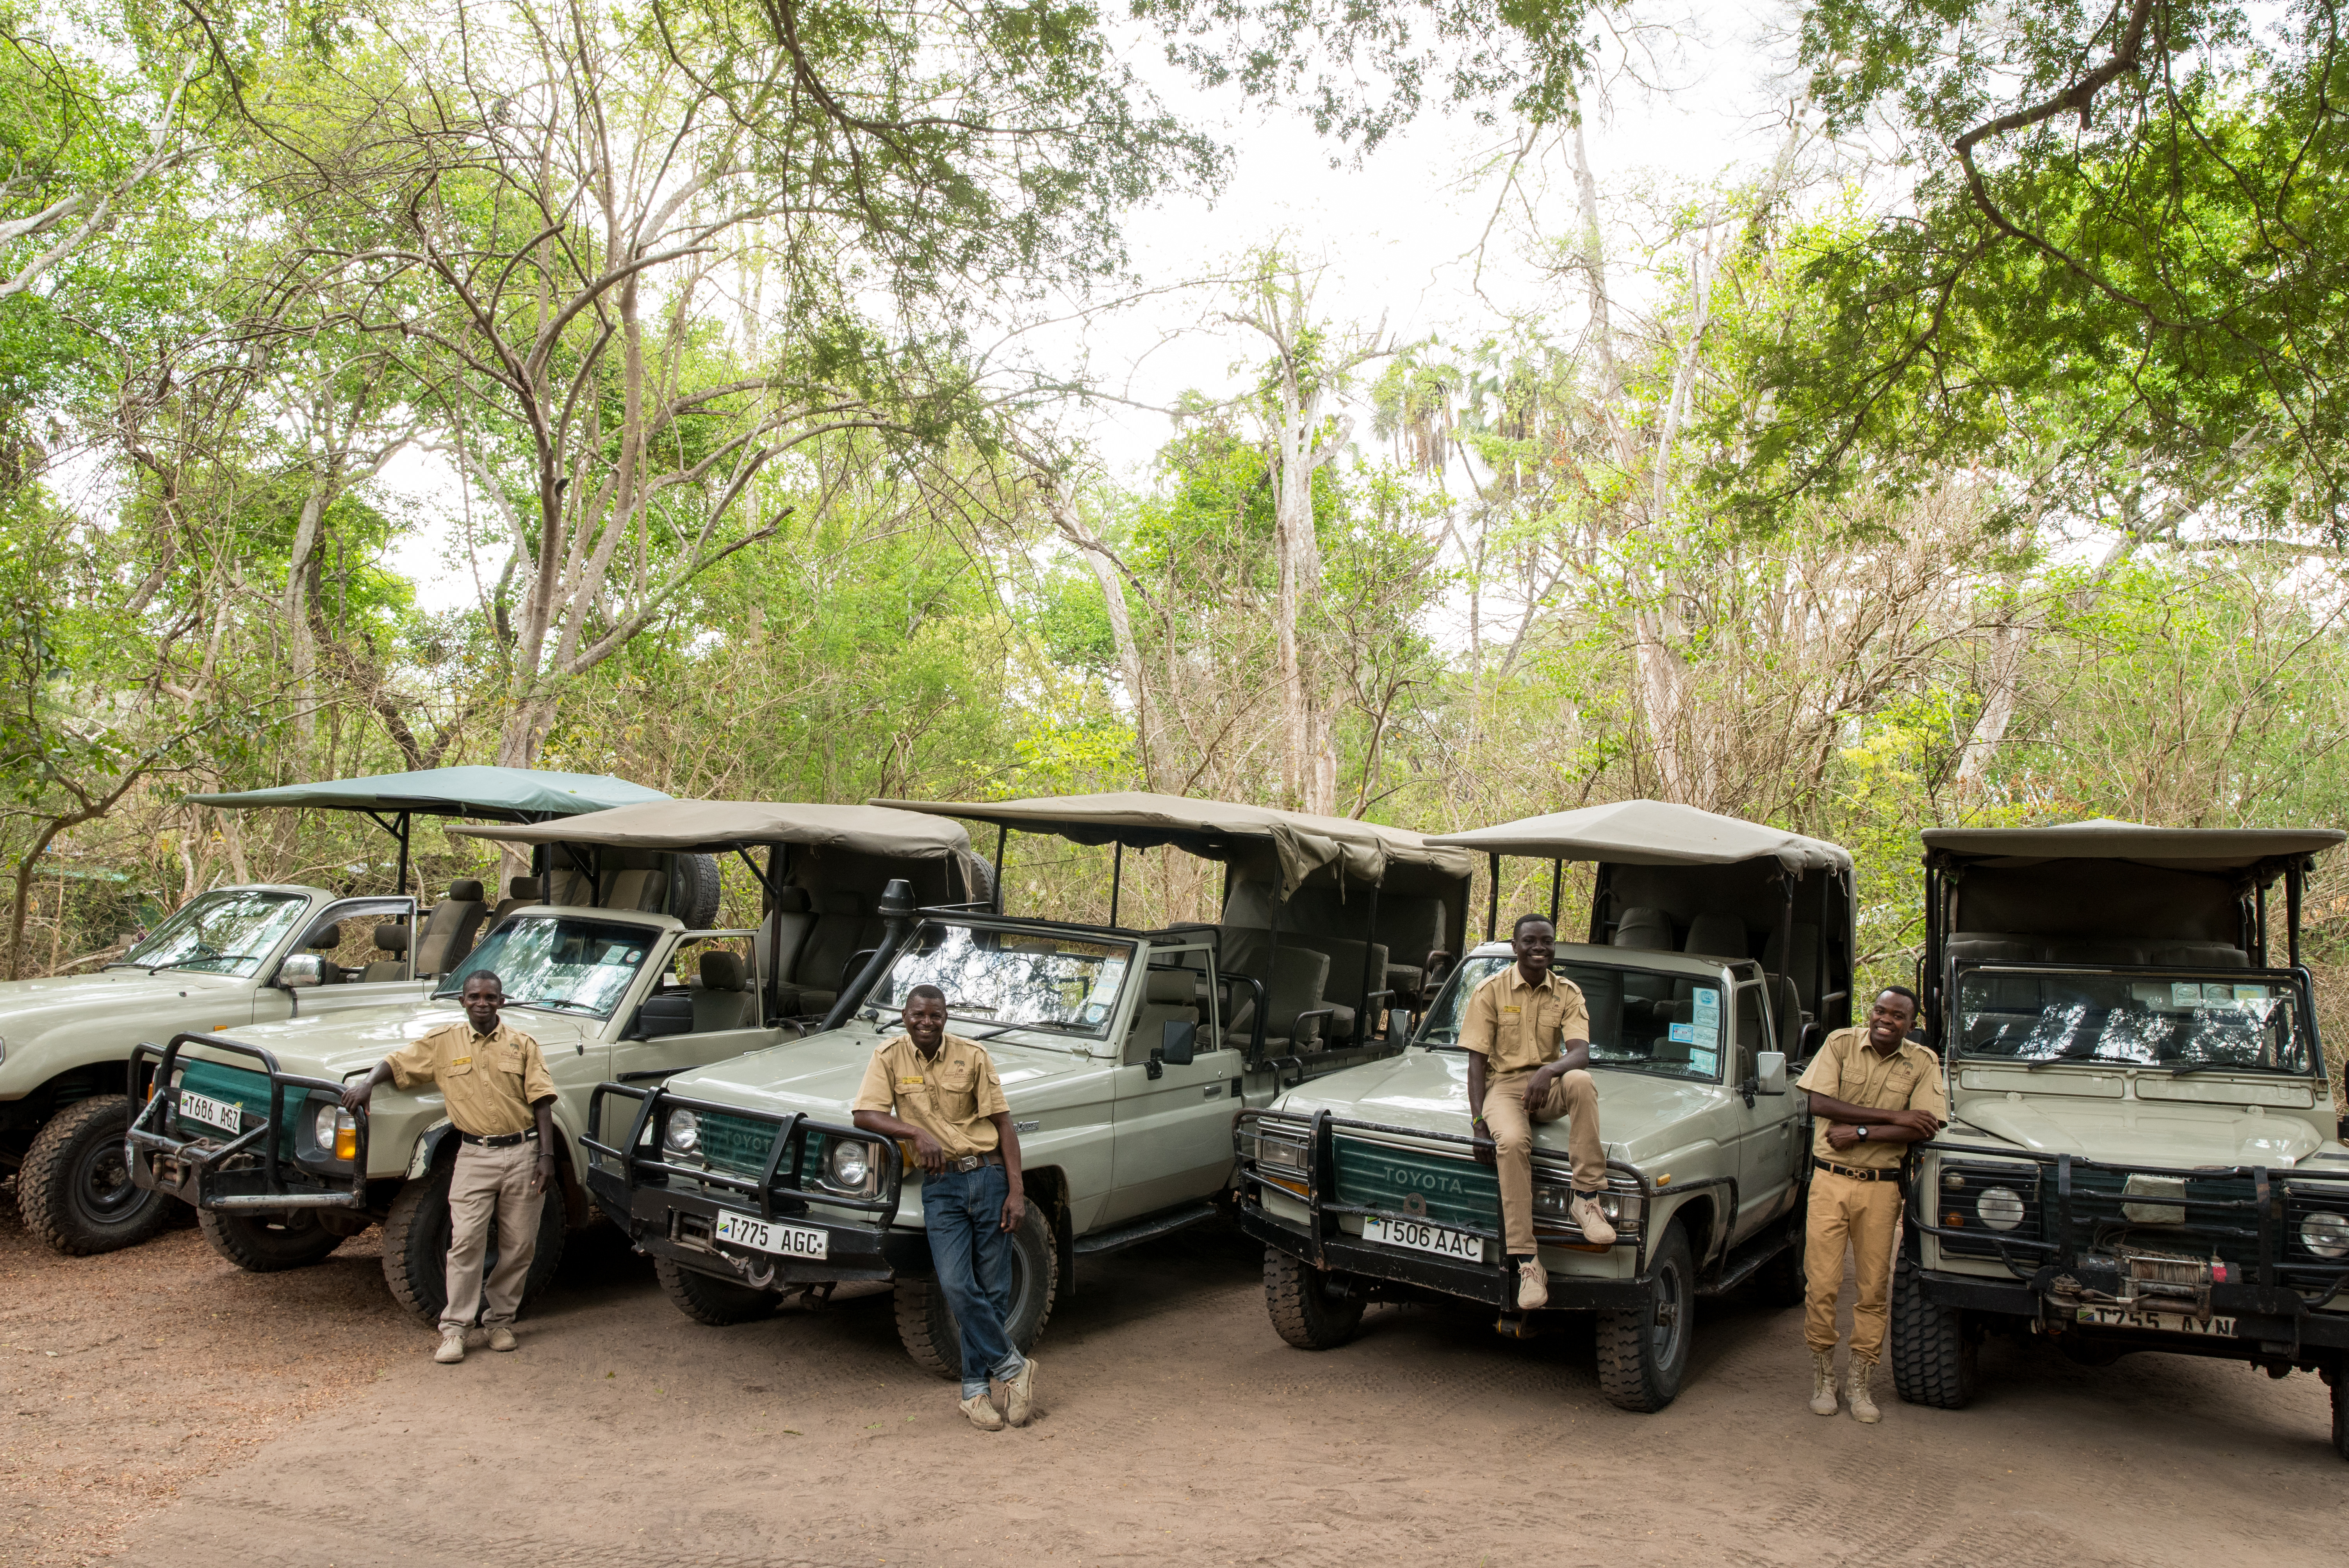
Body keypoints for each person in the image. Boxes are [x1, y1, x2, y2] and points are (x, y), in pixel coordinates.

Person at [342, 970, 556, 1365]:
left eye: (490, 996)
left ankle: (499, 1321)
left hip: (523, 1154)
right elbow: (396, 1061)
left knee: (520, 1244)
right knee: (466, 1243)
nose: (482, 1002)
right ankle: (455, 1330)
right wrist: (368, 1083)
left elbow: (541, 1100)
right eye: (474, 995)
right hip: (474, 1156)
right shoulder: (443, 1043)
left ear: (502, 1001)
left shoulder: (522, 1044)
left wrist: (547, 1156)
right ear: (462, 1001)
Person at [852, 984, 1036, 1431]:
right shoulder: (889, 1056)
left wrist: (1016, 1191)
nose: (926, 1022)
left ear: (946, 1016)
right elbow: (864, 1114)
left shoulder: (972, 1056)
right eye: (919, 1014)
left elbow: (1003, 1125)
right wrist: (914, 1133)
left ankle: (976, 1390)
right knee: (956, 1284)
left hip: (988, 1177)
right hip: (941, 1187)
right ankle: (1014, 1367)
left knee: (993, 1290)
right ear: (905, 1013)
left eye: (935, 1015)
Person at [1795, 984, 1946, 1423]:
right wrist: (1894, 1117)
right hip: (1829, 1182)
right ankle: (1824, 1378)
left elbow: (1926, 1125)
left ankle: (1860, 1383)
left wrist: (1858, 1131)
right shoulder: (1841, 1043)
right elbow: (1818, 1102)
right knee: (1821, 1284)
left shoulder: (1923, 1062)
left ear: (1911, 1024)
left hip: (1881, 1188)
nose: (1886, 1019)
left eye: (1897, 1016)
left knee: (1872, 1289)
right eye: (1880, 1011)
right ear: (1871, 1011)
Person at [1461, 913, 1614, 1313]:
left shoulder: (1567, 992)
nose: (1538, 948)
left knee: (1580, 1080)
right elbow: (1476, 1063)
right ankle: (1528, 1262)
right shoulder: (1489, 990)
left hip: (1548, 1085)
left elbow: (1580, 1053)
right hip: (1505, 1088)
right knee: (1510, 1141)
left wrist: (1548, 1070)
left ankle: (1586, 1196)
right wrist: (1478, 1124)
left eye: (1546, 941)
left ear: (1553, 946)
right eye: (1529, 941)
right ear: (1515, 947)